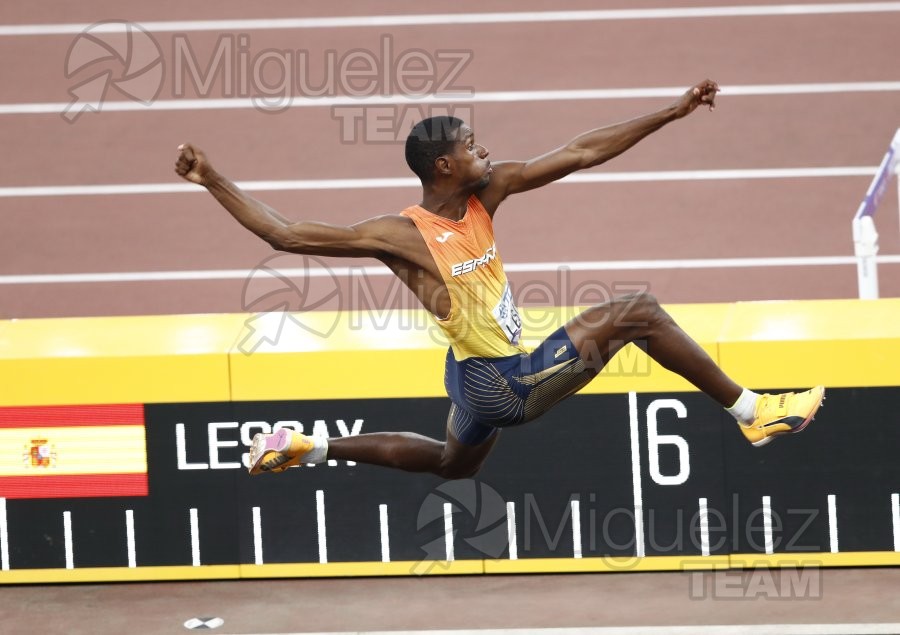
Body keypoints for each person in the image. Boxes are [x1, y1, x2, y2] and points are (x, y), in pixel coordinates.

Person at [174, 79, 824, 479]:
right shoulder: (402, 235)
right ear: (445, 164)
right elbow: (284, 234)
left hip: (470, 368)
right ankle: (754, 411)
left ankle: (310, 448)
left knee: (452, 464)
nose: (486, 150)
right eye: (474, 144)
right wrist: (212, 179)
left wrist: (672, 113)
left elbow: (580, 151)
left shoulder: (491, 191)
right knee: (638, 311)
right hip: (497, 384)